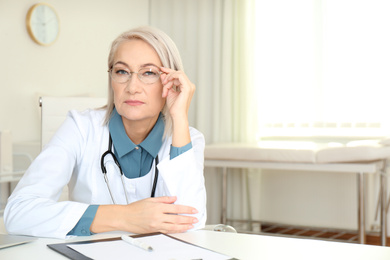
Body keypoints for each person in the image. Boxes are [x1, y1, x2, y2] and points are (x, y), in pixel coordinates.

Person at [4, 26, 206, 239]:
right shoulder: (80, 128)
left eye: (148, 73)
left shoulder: (187, 138)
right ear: (111, 79)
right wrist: (125, 216)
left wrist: (180, 117)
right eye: (122, 71)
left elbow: (191, 223)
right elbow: (18, 212)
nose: (132, 87)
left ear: (171, 82)